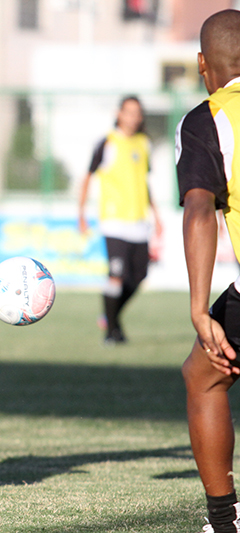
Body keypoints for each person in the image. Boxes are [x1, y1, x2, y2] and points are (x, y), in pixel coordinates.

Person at [178, 9, 240, 533]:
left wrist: (200, 308)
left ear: (203, 63)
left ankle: (224, 520)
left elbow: (200, 209)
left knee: (204, 376)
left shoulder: (210, 118)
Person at [78, 95, 163, 345]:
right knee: (115, 275)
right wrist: (81, 215)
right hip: (114, 221)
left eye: (138, 113)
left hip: (139, 222)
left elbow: (144, 181)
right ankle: (111, 332)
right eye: (129, 112)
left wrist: (156, 214)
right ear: (119, 114)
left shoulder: (144, 143)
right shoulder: (107, 143)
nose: (133, 117)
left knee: (139, 277)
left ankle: (110, 315)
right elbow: (87, 178)